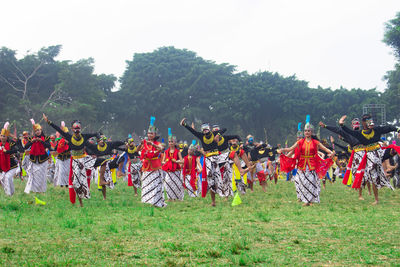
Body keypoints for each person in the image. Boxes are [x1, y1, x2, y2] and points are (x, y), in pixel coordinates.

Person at [339, 114, 400, 205]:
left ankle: (388, 168)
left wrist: (398, 129)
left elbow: (388, 128)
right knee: (374, 177)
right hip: (370, 157)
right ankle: (376, 199)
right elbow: (349, 131)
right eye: (367, 120)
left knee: (394, 149)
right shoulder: (359, 133)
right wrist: (341, 124)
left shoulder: (377, 130)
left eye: (370, 120)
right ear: (363, 123)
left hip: (380, 153)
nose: (370, 122)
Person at [43, 113, 98, 207]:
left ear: (80, 129)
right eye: (75, 128)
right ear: (72, 129)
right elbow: (58, 129)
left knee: (83, 179)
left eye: (78, 128)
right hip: (74, 161)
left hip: (83, 160)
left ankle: (82, 199)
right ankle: (77, 200)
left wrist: (100, 139)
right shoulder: (69, 137)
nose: (77, 130)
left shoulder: (84, 136)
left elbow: (96, 136)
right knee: (75, 182)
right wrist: (49, 122)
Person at [280, 119, 334, 206]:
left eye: (308, 131)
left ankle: (311, 201)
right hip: (302, 164)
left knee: (311, 182)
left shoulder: (315, 142)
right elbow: (290, 149)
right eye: (305, 131)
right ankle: (305, 200)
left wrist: (330, 153)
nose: (307, 132)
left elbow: (324, 149)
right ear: (304, 132)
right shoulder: (300, 142)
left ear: (311, 132)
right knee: (302, 182)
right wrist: (282, 150)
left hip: (312, 164)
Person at [180, 118, 221, 206]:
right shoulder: (201, 136)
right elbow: (192, 131)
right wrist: (185, 124)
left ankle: (224, 194)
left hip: (218, 157)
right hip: (209, 159)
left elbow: (224, 130)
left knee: (221, 176)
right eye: (203, 128)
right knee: (210, 179)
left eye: (206, 128)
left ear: (209, 128)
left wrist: (218, 134)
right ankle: (213, 201)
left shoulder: (214, 134)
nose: (205, 130)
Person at [85, 135, 125, 200]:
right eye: (100, 140)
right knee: (103, 181)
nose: (102, 142)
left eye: (103, 140)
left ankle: (119, 171)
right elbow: (88, 149)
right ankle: (104, 197)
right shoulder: (94, 147)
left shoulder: (109, 145)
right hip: (100, 164)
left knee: (121, 158)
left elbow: (116, 143)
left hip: (109, 162)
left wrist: (124, 142)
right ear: (97, 141)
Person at [138, 117, 166, 207]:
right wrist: (140, 144)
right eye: (149, 133)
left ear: (155, 134)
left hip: (155, 166)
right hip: (146, 166)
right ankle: (146, 200)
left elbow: (161, 148)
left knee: (155, 184)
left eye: (151, 133)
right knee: (146, 184)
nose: (150, 135)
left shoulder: (157, 143)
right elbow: (137, 150)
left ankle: (155, 201)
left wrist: (152, 144)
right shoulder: (145, 142)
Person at [23, 119, 51, 194]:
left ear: (41, 130)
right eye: (36, 131)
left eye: (39, 130)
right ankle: (35, 190)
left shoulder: (46, 138)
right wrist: (31, 142)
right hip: (34, 159)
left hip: (43, 159)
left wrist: (42, 141)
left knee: (42, 175)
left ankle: (41, 190)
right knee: (34, 175)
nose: (38, 132)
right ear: (34, 132)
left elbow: (49, 146)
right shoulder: (31, 138)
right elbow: (25, 147)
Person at [0, 122, 20, 196]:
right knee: (3, 179)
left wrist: (7, 151)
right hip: (2, 165)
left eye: (4, 136)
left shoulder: (11, 143)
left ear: (7, 137)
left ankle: (8, 195)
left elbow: (16, 150)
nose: (2, 137)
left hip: (12, 165)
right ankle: (12, 192)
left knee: (7, 177)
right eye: (1, 136)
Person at [162, 135, 184, 201]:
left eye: (172, 141)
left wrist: (176, 161)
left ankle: (178, 198)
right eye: (169, 142)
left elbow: (182, 161)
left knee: (177, 185)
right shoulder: (166, 152)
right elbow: (163, 161)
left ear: (175, 143)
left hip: (176, 171)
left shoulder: (178, 152)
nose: (170, 143)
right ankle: (170, 198)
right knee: (168, 183)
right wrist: (166, 161)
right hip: (169, 171)